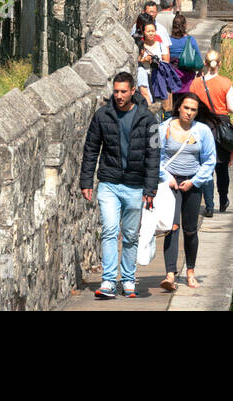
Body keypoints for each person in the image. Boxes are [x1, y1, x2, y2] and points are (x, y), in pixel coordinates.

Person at [79, 71, 159, 299]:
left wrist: (150, 188)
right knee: (110, 230)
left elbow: (155, 155)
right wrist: (86, 180)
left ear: (133, 91)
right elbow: (91, 149)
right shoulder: (101, 116)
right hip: (109, 183)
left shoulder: (149, 120)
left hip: (135, 185)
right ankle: (108, 281)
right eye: (116, 91)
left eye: (124, 91)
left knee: (131, 235)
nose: (119, 95)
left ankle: (128, 280)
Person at [157, 92, 217, 291]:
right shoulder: (163, 128)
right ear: (179, 108)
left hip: (192, 183)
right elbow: (154, 157)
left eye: (193, 110)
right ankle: (170, 275)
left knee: (190, 230)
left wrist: (194, 181)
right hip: (171, 183)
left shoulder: (203, 131)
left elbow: (210, 160)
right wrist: (167, 178)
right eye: (186, 108)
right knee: (171, 227)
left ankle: (190, 271)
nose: (189, 113)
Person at [193, 51, 233, 216]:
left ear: (204, 63)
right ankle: (223, 200)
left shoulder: (196, 83)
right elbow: (232, 108)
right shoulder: (226, 83)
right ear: (219, 63)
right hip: (221, 126)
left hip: (203, 125)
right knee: (221, 165)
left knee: (206, 166)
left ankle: (209, 205)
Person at [136, 19, 169, 109]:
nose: (151, 33)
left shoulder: (161, 46)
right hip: (145, 79)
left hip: (158, 79)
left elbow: (167, 62)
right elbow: (136, 61)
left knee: (160, 105)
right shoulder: (140, 46)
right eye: (148, 31)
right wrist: (144, 60)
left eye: (153, 31)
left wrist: (158, 62)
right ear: (143, 32)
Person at [167, 13, 202, 92]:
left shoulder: (168, 40)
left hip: (173, 73)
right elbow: (198, 57)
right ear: (184, 25)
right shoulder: (190, 39)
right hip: (187, 73)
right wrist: (200, 71)